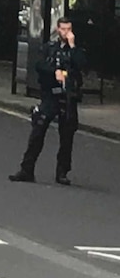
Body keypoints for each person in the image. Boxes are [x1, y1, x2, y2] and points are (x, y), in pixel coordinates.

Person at [9, 17, 85, 185]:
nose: (66, 32)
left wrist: (72, 47)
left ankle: (62, 172)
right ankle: (26, 169)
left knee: (67, 136)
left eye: (69, 29)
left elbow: (80, 65)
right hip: (50, 95)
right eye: (63, 29)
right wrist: (55, 71)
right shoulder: (49, 48)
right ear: (58, 29)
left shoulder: (76, 50)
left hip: (68, 97)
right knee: (38, 130)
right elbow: (39, 65)